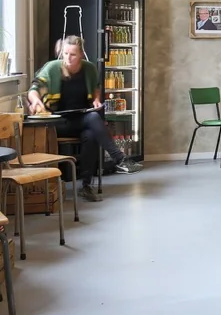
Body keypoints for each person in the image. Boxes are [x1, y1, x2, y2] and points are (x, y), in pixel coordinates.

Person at [28, 35, 140, 202]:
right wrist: (36, 100)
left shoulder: (89, 69)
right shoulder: (52, 68)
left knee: (91, 134)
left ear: (81, 54)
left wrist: (95, 99)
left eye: (72, 54)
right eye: (65, 53)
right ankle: (119, 158)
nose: (68, 58)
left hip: (81, 119)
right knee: (93, 118)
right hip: (58, 122)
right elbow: (34, 88)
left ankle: (86, 186)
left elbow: (95, 88)